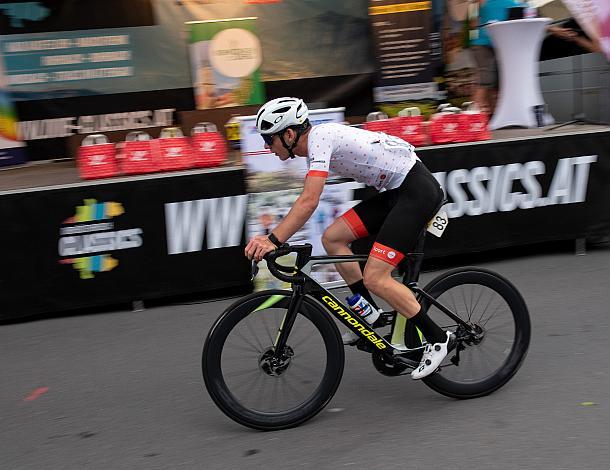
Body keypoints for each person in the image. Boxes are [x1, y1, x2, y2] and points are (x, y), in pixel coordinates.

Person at [244, 97, 454, 380]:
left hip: (416, 191)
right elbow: (307, 199)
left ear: (289, 134)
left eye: (270, 140)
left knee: (376, 277)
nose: (267, 147)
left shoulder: (319, 138)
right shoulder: (316, 143)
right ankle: (370, 315)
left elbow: (309, 201)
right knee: (333, 238)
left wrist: (273, 239)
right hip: (396, 191)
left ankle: (438, 338)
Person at [469, 0, 522, 114]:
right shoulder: (513, 3)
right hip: (484, 44)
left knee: (491, 81)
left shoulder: (512, 2)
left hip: (494, 44)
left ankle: (492, 115)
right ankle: (471, 115)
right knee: (485, 79)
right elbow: (472, 21)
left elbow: (472, 21)